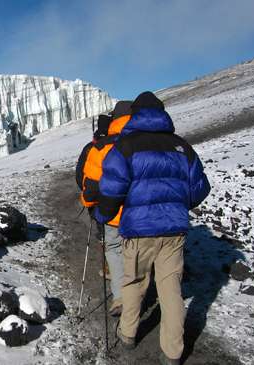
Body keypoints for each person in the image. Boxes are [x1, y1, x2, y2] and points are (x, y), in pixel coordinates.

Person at [94, 91, 210, 365]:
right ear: (162, 113)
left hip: (138, 230)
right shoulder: (181, 146)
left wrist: (103, 214)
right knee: (171, 289)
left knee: (134, 283)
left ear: (135, 115)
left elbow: (112, 189)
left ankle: (128, 334)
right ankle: (173, 351)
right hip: (174, 230)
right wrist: (180, 204)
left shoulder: (125, 146)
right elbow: (200, 188)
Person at [75, 101, 133, 316]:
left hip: (111, 212)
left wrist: (88, 201)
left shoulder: (100, 147)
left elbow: (85, 179)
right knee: (138, 252)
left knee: (115, 250)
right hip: (142, 213)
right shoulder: (145, 141)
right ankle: (139, 291)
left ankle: (120, 297)